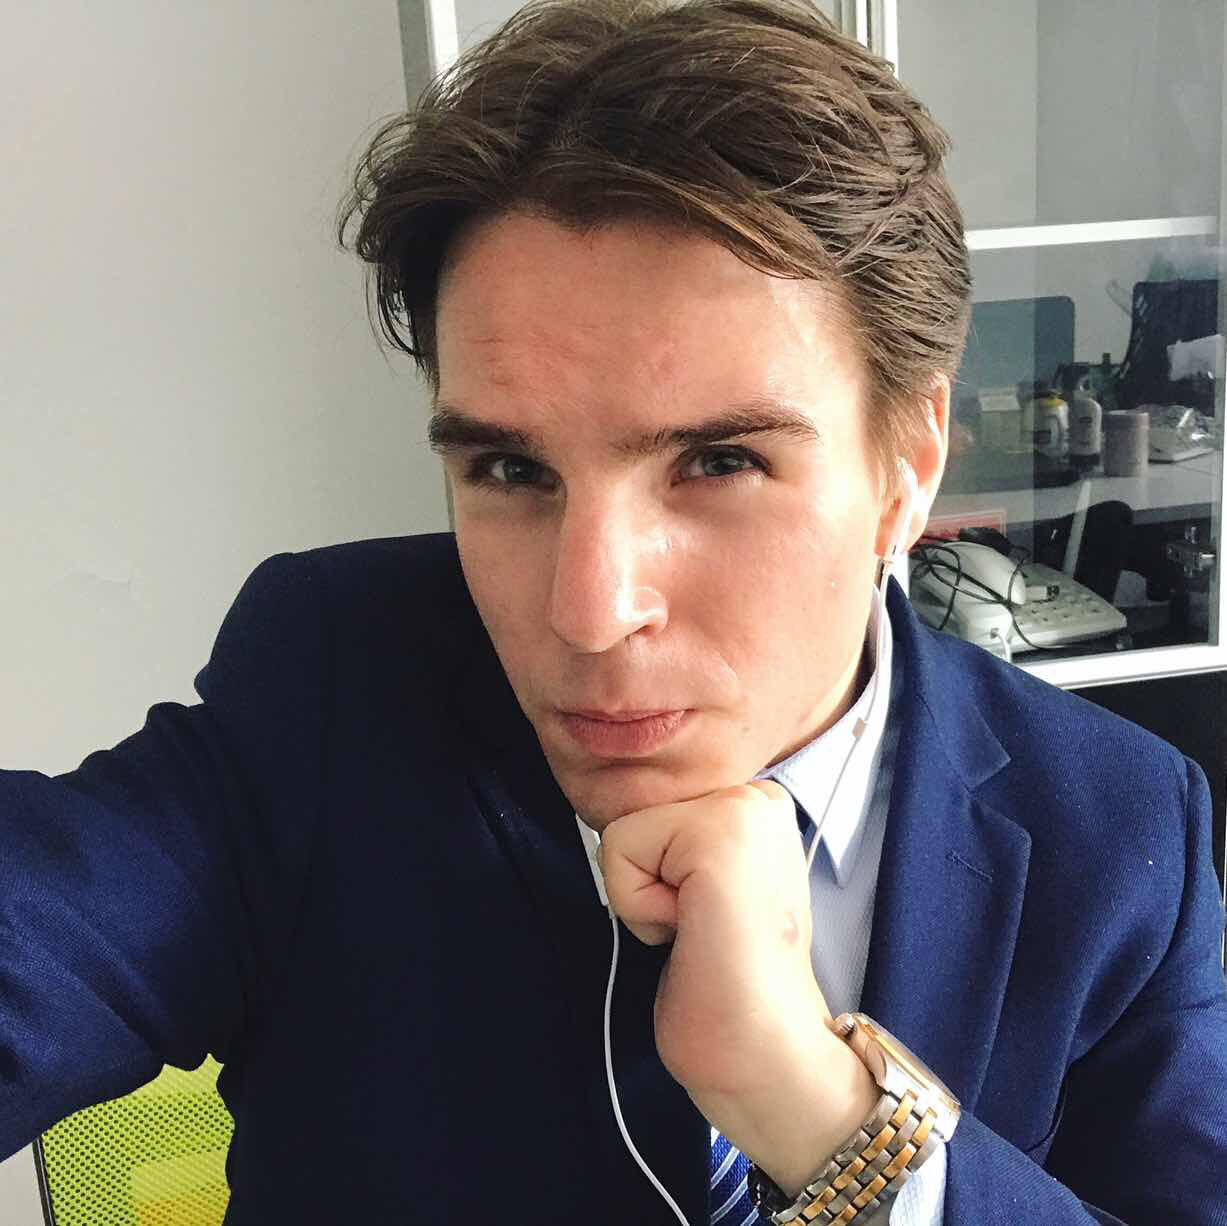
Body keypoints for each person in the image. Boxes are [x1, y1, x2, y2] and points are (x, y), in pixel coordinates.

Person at [3, 0, 1226, 1221]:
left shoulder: (1114, 831)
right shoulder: (336, 682)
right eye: (510, 470)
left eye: (720, 462)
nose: (591, 612)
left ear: (908, 465)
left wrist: (824, 1114)